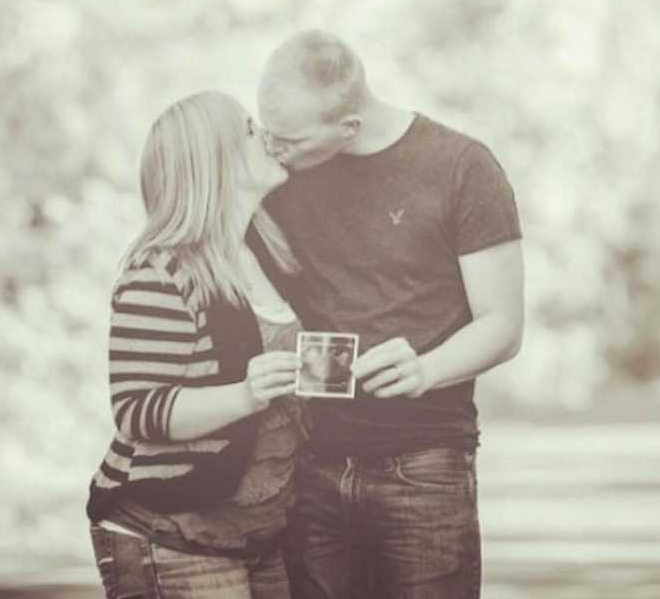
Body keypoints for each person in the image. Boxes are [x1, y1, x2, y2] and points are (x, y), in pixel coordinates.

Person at [257, 30, 525, 598]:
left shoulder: (462, 168)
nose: (274, 151)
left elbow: (503, 324)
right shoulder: (279, 175)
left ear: (348, 126)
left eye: (289, 141)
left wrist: (427, 369)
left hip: (424, 467)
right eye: (267, 134)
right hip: (307, 465)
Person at [86, 90, 310, 599]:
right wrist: (247, 394)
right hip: (171, 534)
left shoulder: (267, 255)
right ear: (216, 158)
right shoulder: (161, 271)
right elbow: (137, 410)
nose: (268, 137)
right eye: (252, 131)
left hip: (255, 535)